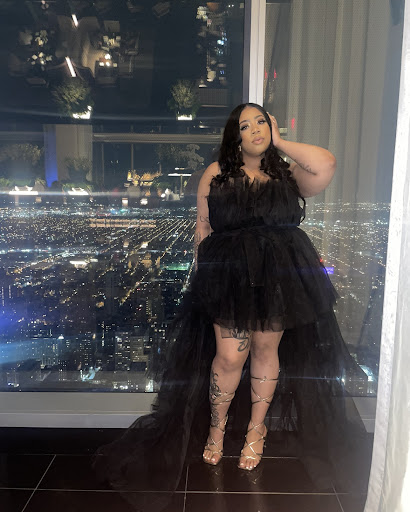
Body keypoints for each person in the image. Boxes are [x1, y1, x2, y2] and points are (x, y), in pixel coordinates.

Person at [91, 103, 367, 509]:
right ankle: (217, 427)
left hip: (278, 277)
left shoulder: (287, 175)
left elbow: (326, 163)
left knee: (266, 351)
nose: (255, 129)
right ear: (234, 136)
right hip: (230, 278)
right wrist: (203, 280)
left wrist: (281, 141)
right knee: (228, 356)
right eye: (245, 125)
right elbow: (203, 227)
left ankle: (256, 430)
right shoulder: (217, 173)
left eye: (261, 122)